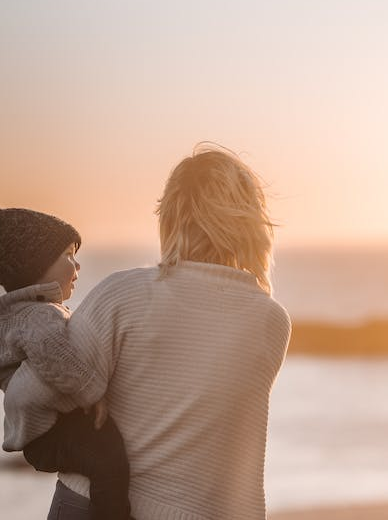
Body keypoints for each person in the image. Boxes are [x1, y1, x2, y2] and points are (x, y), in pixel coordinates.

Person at [28, 144, 292, 520]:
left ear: (170, 217)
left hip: (89, 505)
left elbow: (41, 395)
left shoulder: (122, 293)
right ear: (250, 223)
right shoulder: (271, 321)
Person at [0, 200, 131, 520]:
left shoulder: (14, 316)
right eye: (68, 255)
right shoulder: (40, 317)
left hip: (40, 435)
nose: (77, 266)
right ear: (34, 265)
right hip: (51, 435)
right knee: (109, 458)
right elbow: (62, 361)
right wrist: (94, 396)